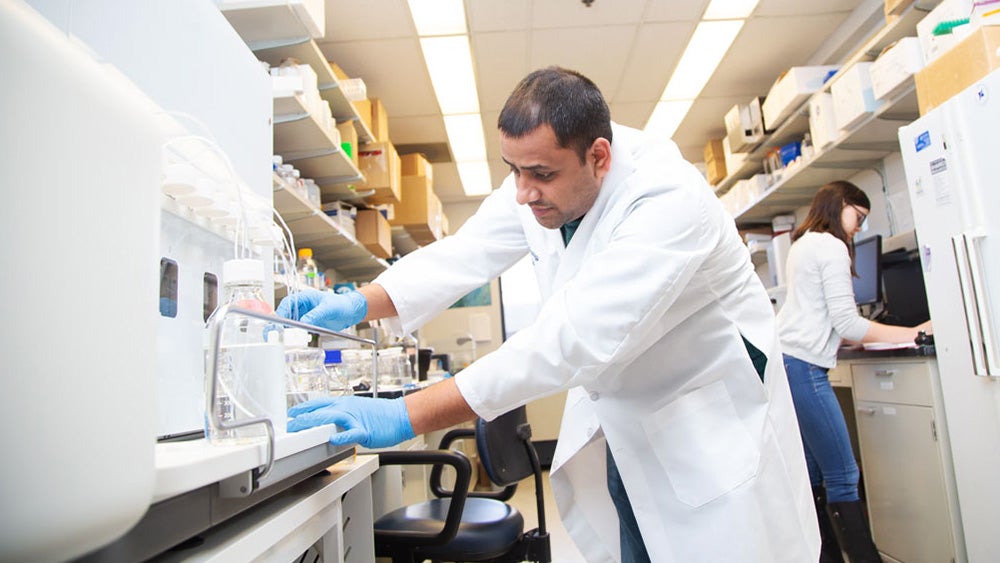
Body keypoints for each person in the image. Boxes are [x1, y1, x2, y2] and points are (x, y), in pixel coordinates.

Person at [278, 66, 819, 562]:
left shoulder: (668, 200)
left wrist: (407, 414)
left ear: (599, 156)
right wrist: (358, 302)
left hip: (707, 433)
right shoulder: (546, 180)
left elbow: (569, 339)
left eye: (537, 173)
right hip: (626, 431)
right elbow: (462, 252)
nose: (521, 192)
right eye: (512, 169)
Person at [776, 181, 933, 563]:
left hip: (786, 362)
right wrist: (913, 332)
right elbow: (847, 321)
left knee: (816, 474)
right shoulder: (830, 246)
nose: (858, 228)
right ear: (840, 205)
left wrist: (844, 339)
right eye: (858, 217)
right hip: (803, 367)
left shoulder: (803, 243)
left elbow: (819, 318)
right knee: (844, 474)